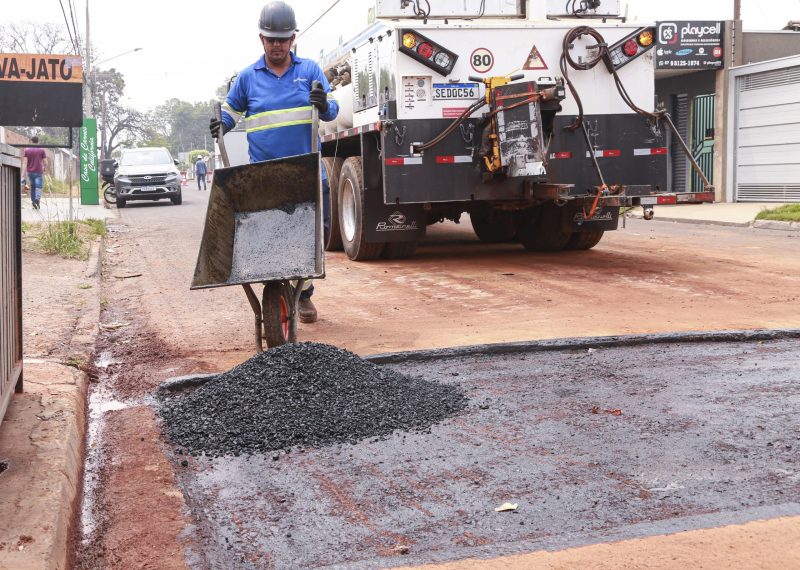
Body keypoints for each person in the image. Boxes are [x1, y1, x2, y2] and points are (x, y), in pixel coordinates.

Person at [210, 1, 339, 324]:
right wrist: (221, 124)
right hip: (265, 176)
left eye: (283, 39)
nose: (277, 45)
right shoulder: (248, 78)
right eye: (271, 39)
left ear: (293, 38)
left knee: (312, 235)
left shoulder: (309, 71)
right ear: (261, 39)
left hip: (305, 170)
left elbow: (333, 110)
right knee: (271, 237)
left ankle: (303, 292)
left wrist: (324, 104)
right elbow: (230, 112)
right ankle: (283, 291)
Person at [23, 136, 47, 210]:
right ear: (38, 141)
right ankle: (37, 199)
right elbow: (46, 162)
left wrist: (23, 173)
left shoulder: (27, 150)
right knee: (39, 187)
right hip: (38, 171)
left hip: (30, 172)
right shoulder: (41, 150)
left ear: (31, 141)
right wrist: (44, 168)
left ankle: (33, 202)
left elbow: (25, 162)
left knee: (32, 187)